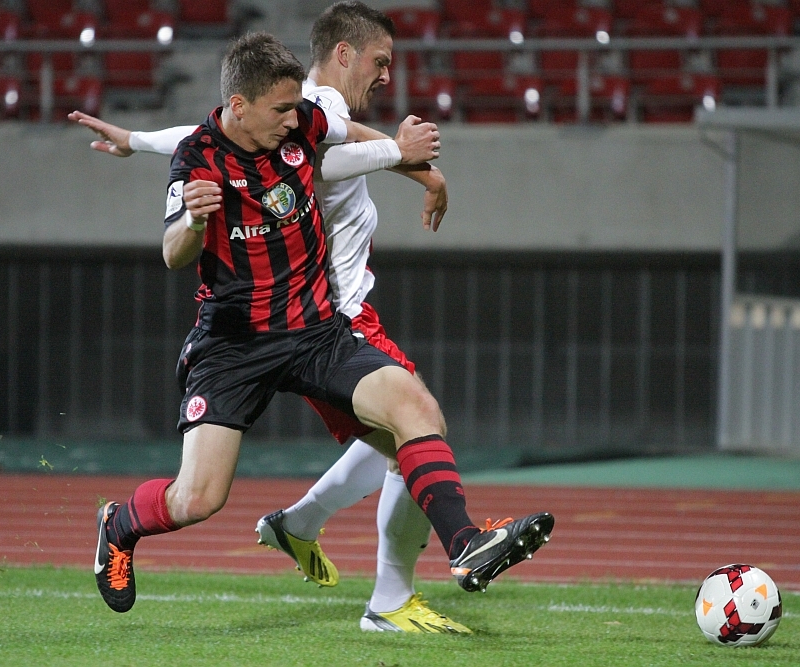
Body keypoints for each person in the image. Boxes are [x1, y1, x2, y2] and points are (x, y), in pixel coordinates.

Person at [87, 31, 554, 622]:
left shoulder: (300, 122)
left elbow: (346, 135)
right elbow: (172, 253)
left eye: (296, 108)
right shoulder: (197, 158)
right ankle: (119, 524)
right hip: (234, 345)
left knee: (417, 411)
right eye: (281, 109)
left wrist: (410, 158)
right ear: (238, 106)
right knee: (197, 499)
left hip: (316, 334)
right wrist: (194, 224)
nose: (294, 119)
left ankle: (464, 545)